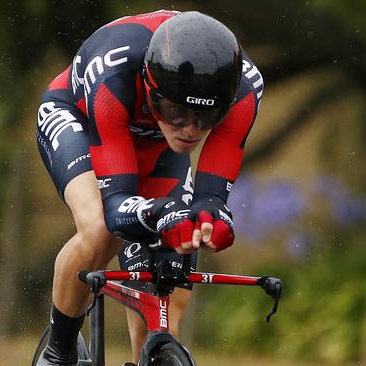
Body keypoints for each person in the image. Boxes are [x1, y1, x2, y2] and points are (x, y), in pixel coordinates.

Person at [35, 9, 264, 366]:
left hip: (155, 143)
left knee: (171, 276)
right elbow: (117, 209)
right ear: (151, 88)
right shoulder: (114, 73)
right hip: (81, 119)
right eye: (177, 111)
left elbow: (210, 198)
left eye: (208, 117)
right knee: (99, 231)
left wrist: (209, 219)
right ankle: (58, 351)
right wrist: (159, 212)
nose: (190, 129)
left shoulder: (246, 90)